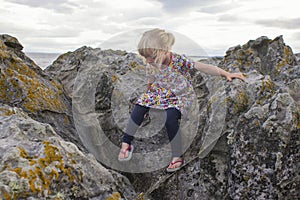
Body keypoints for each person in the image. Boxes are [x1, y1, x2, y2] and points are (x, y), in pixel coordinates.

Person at [118, 28, 245, 172]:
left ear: (165, 50)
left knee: (170, 117)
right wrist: (147, 102)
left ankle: (177, 156)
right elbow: (150, 82)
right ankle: (126, 143)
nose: (148, 61)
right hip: (159, 93)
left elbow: (203, 67)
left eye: (151, 57)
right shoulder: (151, 64)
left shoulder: (179, 60)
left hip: (179, 96)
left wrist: (226, 73)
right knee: (139, 106)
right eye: (145, 57)